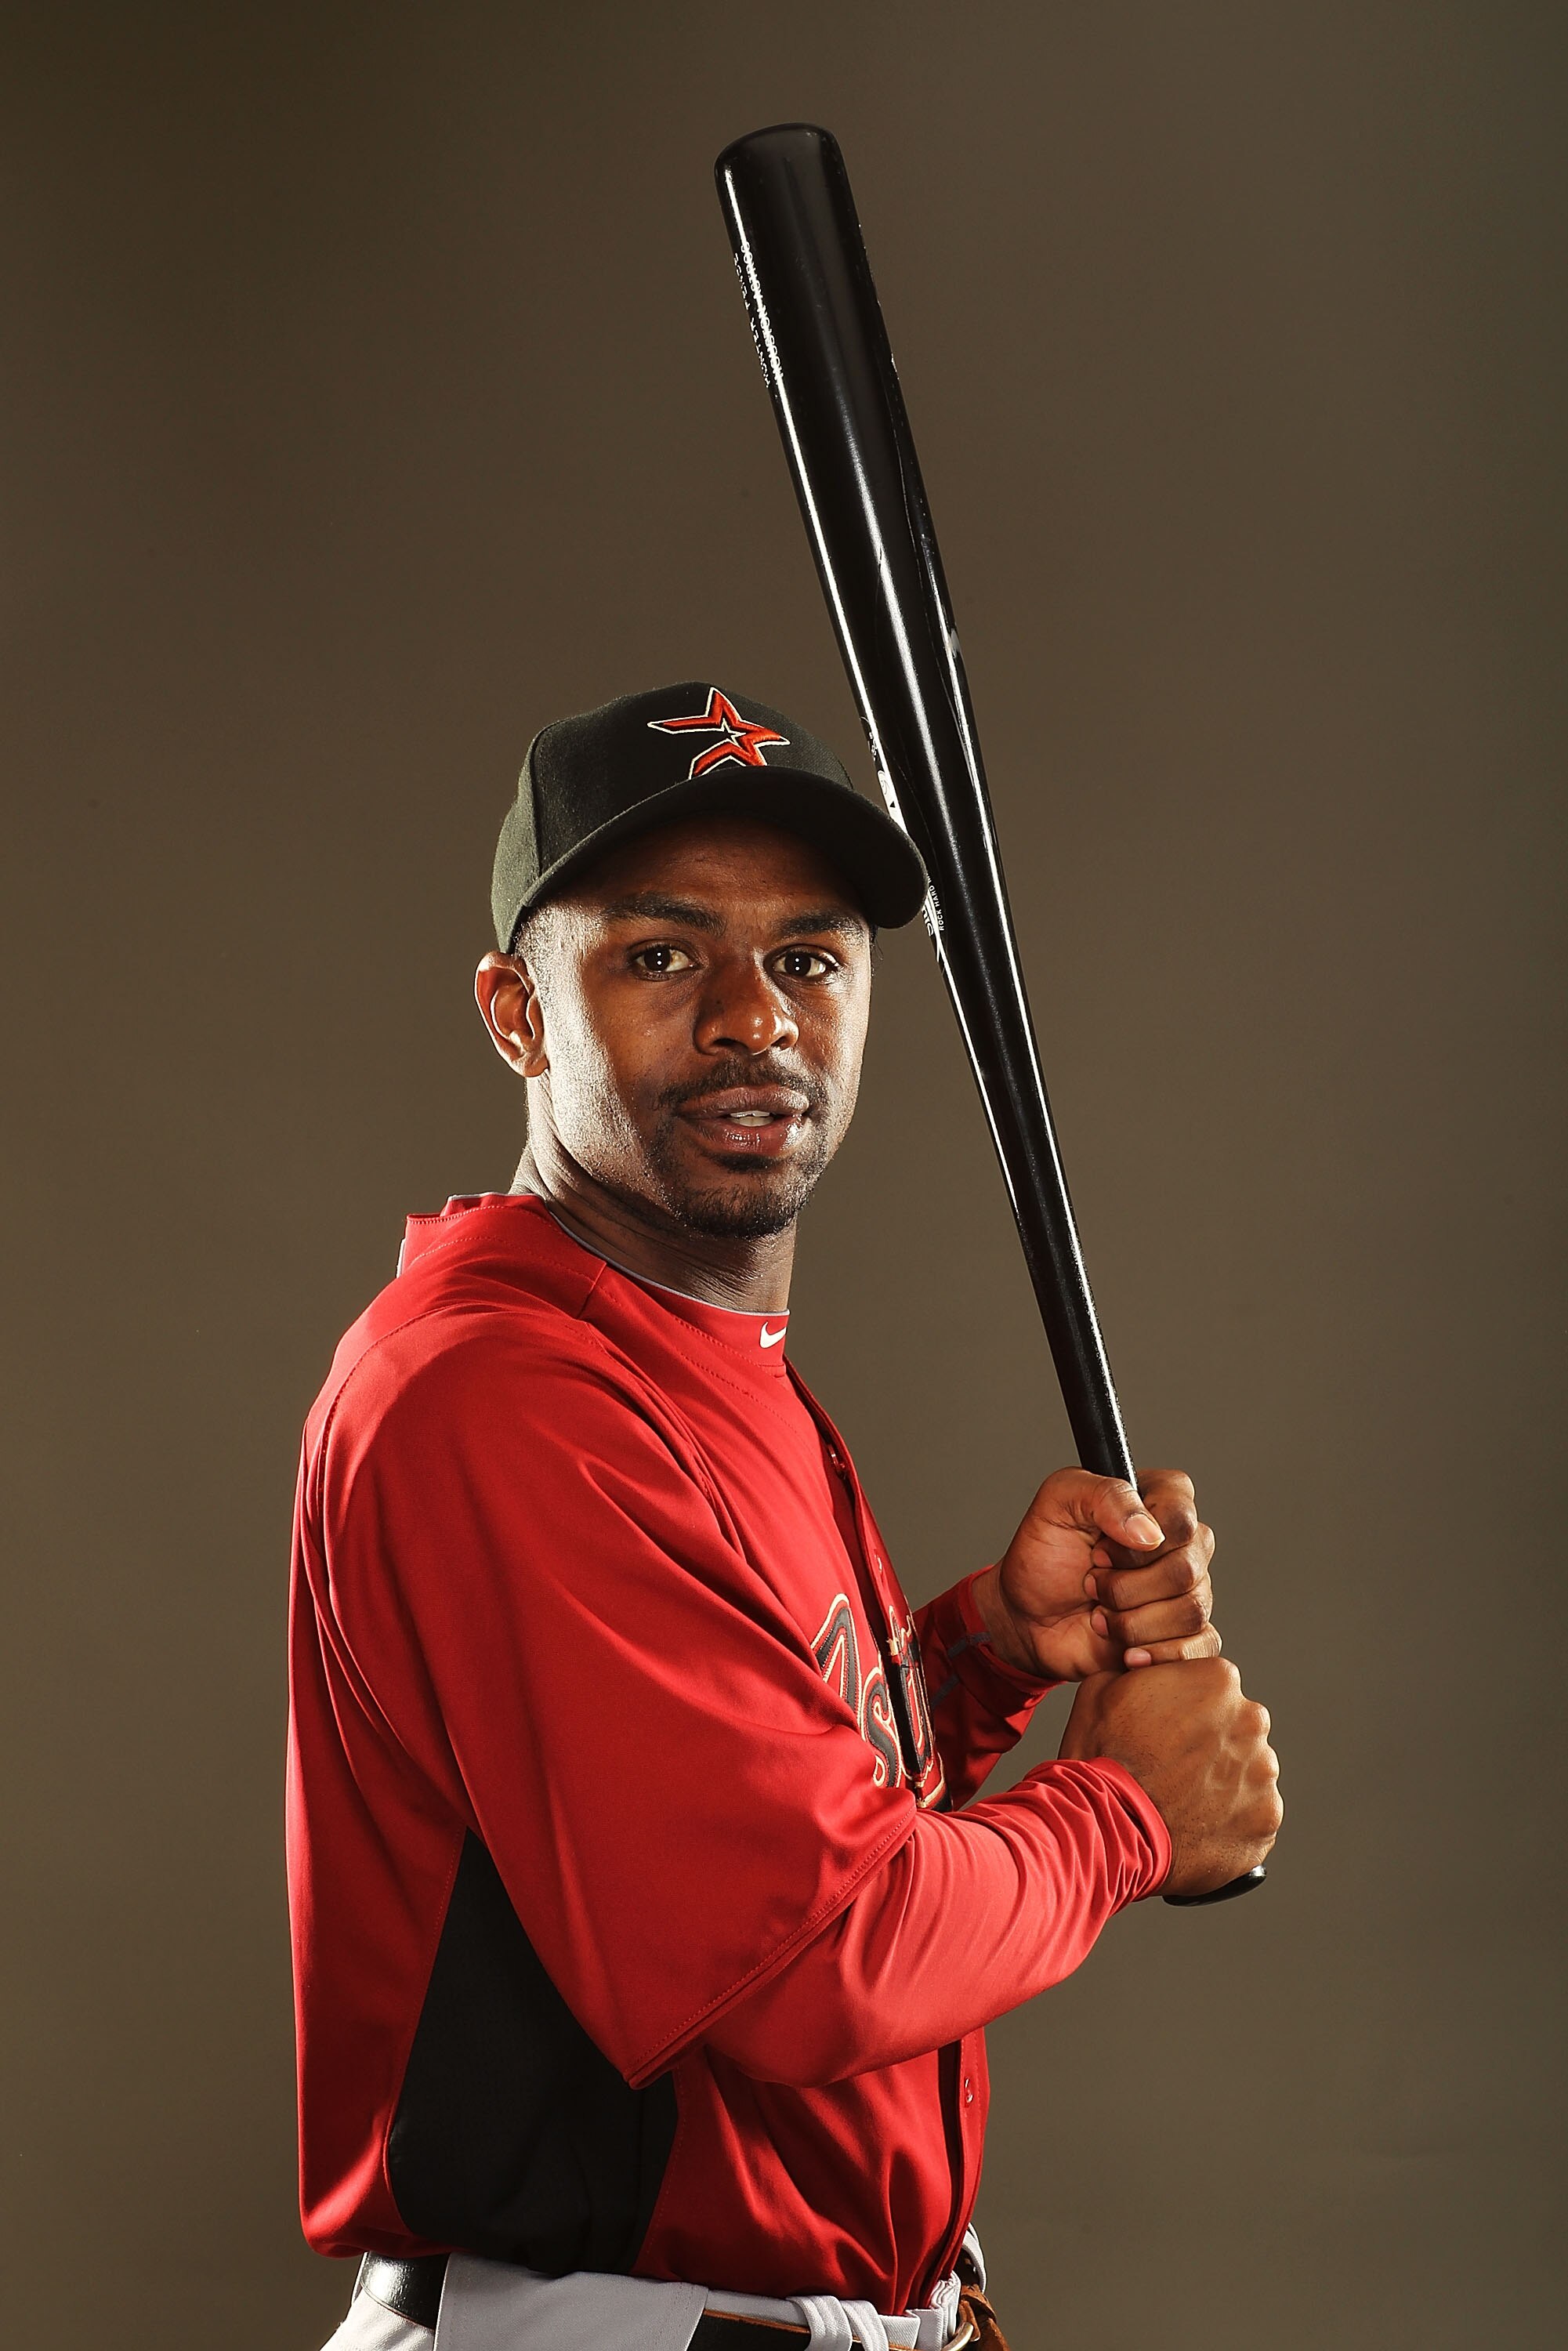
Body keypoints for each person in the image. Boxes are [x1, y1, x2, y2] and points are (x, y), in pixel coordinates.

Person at [288, 682, 1281, 2351]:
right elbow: (808, 1960)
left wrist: (973, 1655)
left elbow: (749, 1805)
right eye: (662, 955)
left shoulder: (688, 1353)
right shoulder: (500, 1396)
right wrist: (1124, 1814)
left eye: (809, 958)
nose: (755, 1017)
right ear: (515, 1015)